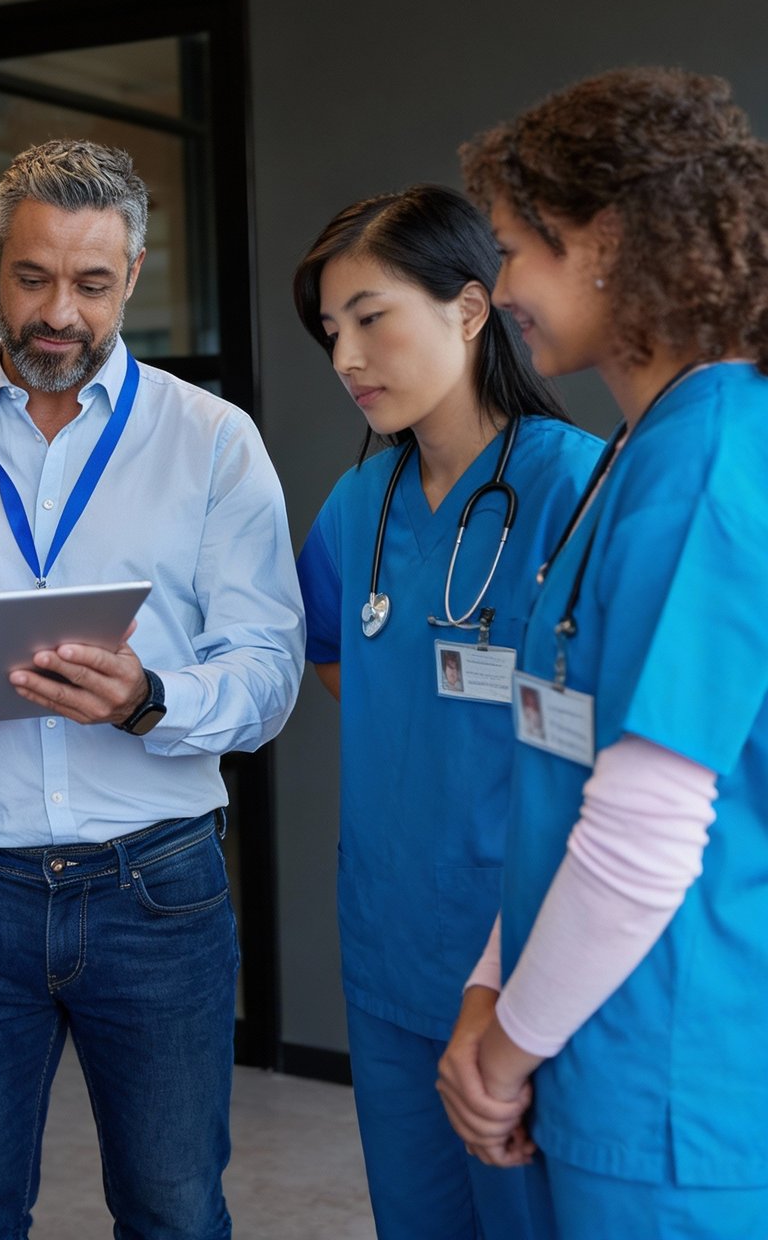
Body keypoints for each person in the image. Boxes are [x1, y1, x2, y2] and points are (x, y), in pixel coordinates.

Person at [0, 138, 304, 1240]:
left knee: (175, 1209)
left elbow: (267, 674)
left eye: (89, 283)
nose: (58, 313)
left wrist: (150, 698)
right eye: (33, 277)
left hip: (158, 887)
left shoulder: (212, 443)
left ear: (132, 273)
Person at [437, 68, 768, 1238]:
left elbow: (647, 825)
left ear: (609, 242)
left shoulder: (712, 455)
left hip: (674, 1086)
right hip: (590, 1047)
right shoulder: (635, 452)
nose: (501, 288)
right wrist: (490, 995)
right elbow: (561, 775)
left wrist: (506, 1043)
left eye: (518, 248)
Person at [292, 185, 601, 1240]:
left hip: (520, 952)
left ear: (470, 310)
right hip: (387, 943)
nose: (345, 358)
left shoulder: (575, 491)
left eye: (371, 317)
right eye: (331, 331)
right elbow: (340, 657)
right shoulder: (355, 506)